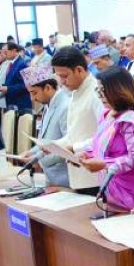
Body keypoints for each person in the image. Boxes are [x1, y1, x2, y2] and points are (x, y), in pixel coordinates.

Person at [73, 66, 134, 212]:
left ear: (118, 90)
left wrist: (104, 164)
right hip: (109, 186)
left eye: (104, 91)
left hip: (127, 192)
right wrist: (86, 155)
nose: (100, 96)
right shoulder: (106, 114)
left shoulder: (130, 120)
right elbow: (101, 144)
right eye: (98, 91)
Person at [49, 45, 103, 192]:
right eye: (59, 77)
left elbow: (106, 137)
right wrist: (52, 145)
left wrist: (73, 148)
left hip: (95, 176)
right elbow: (74, 133)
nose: (61, 82)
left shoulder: (97, 93)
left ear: (79, 70)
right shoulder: (75, 92)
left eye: (64, 76)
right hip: (77, 174)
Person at [19, 64, 70, 188]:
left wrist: (38, 161)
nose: (32, 98)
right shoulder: (47, 104)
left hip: (66, 180)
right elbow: (46, 141)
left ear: (47, 88)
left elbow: (68, 146)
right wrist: (31, 153)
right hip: (52, 178)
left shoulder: (66, 106)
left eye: (34, 93)